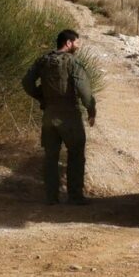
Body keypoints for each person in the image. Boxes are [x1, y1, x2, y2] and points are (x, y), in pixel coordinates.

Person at [22, 29, 97, 206]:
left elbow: (26, 83)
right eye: (77, 42)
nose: (78, 46)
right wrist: (91, 110)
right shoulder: (72, 62)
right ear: (69, 43)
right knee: (76, 155)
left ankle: (51, 197)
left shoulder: (43, 60)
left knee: (51, 157)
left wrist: (41, 96)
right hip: (70, 116)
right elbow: (84, 91)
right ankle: (75, 196)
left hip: (49, 115)